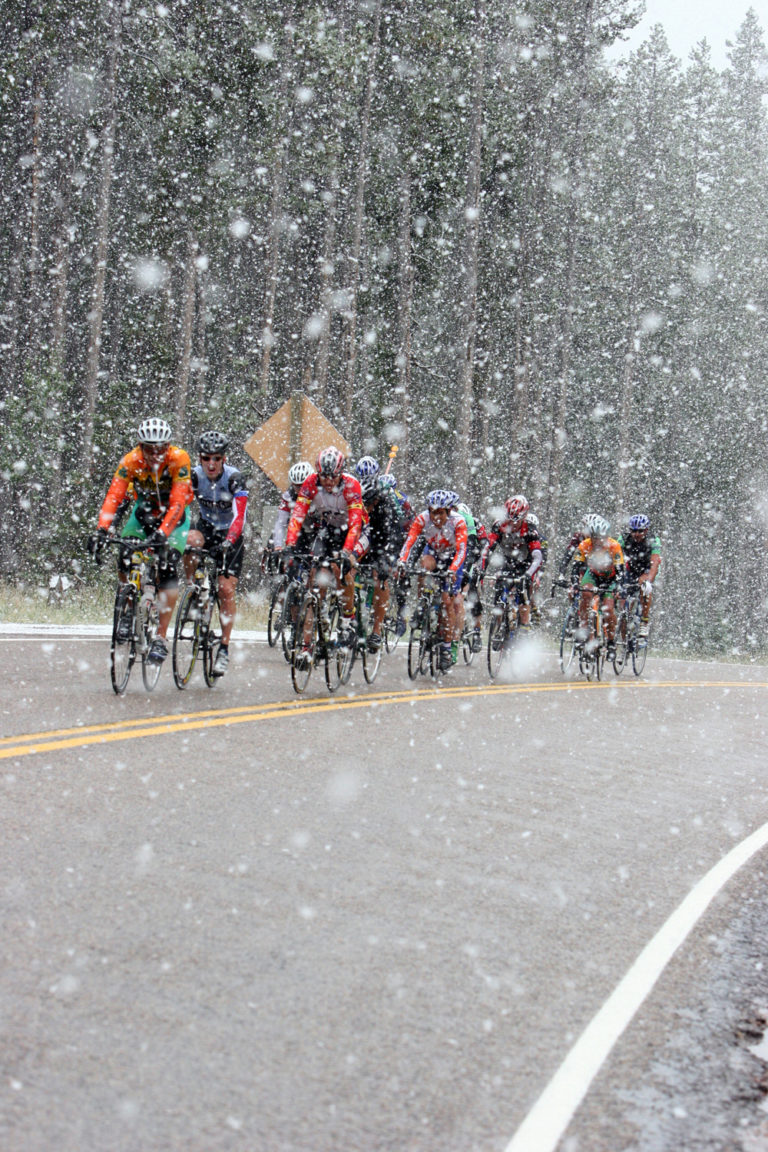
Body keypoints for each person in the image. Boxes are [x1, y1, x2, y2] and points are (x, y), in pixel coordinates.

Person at [88, 417, 193, 664]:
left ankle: (160, 638)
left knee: (167, 565)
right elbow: (114, 495)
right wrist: (101, 530)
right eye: (150, 448)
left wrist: (164, 533)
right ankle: (127, 604)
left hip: (175, 517)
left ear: (168, 446)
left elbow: (178, 502)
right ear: (140, 446)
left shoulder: (179, 459)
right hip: (144, 513)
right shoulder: (130, 461)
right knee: (125, 553)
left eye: (161, 449)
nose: (156, 454)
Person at [283, 446, 364, 663]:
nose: (328, 481)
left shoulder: (351, 485)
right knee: (313, 583)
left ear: (341, 473)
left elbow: (356, 522)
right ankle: (307, 647)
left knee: (341, 570)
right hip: (327, 530)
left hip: (349, 531)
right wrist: (290, 544)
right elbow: (298, 514)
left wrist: (347, 552)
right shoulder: (310, 483)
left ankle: (348, 620)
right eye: (324, 476)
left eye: (333, 476)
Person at [182, 431, 248, 677]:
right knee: (191, 540)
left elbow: (240, 516)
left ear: (224, 459)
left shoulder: (234, 479)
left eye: (216, 459)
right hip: (207, 528)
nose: (211, 463)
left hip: (231, 532)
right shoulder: (194, 476)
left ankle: (224, 648)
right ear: (200, 458)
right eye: (206, 458)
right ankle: (194, 588)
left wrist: (230, 540)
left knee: (225, 589)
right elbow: (182, 506)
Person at [397, 489, 468, 673]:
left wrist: (452, 570)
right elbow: (409, 541)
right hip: (434, 554)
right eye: (433, 512)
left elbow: (461, 550)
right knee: (424, 565)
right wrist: (402, 561)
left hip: (453, 559)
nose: (436, 517)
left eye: (441, 513)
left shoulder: (458, 522)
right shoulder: (422, 519)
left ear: (448, 511)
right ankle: (423, 602)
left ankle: (446, 647)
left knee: (447, 601)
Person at [352, 471, 405, 651]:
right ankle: (349, 618)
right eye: (363, 504)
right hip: (363, 538)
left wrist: (386, 561)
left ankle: (376, 630)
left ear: (377, 499)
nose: (366, 508)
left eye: (369, 504)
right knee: (349, 568)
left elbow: (394, 538)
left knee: (379, 578)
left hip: (384, 543)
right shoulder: (356, 503)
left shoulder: (388, 506)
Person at [480, 494, 542, 632]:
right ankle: (498, 623)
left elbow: (537, 557)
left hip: (526, 564)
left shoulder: (530, 529)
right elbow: (488, 549)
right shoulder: (499, 525)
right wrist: (482, 569)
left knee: (523, 593)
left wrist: (529, 574)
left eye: (516, 521)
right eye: (509, 520)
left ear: (524, 517)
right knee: (500, 590)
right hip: (508, 562)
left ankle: (525, 627)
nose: (512, 524)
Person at [573, 514, 625, 657]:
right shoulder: (585, 544)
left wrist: (619, 586)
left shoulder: (614, 546)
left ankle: (611, 642)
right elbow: (576, 566)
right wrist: (574, 582)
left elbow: (620, 570)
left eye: (600, 538)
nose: (597, 541)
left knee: (608, 608)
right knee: (585, 594)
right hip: (594, 575)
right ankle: (583, 630)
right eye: (594, 537)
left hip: (611, 578)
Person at [618, 514, 662, 637]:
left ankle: (644, 620)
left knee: (644, 587)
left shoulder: (654, 540)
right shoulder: (623, 539)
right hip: (631, 569)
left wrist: (648, 581)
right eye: (633, 531)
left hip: (647, 569)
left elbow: (654, 563)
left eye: (640, 531)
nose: (636, 534)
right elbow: (615, 557)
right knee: (623, 607)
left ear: (646, 530)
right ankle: (624, 639)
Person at [269, 461, 314, 551]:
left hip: (319, 530)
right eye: (297, 487)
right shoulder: (289, 495)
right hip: (301, 530)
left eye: (304, 485)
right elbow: (281, 523)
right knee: (291, 558)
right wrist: (278, 546)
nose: (301, 490)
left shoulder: (319, 493)